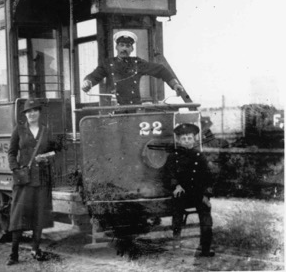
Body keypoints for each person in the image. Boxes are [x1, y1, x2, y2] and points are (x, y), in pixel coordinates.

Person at [6, 99, 58, 265]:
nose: (32, 114)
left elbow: (56, 150)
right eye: (29, 111)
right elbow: (11, 153)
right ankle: (13, 254)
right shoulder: (19, 130)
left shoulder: (46, 131)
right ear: (25, 115)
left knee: (39, 215)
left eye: (35, 110)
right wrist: (15, 169)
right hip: (24, 180)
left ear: (39, 113)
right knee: (18, 216)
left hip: (42, 179)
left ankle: (35, 249)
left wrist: (48, 157)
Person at [81, 31, 184, 105]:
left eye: (127, 46)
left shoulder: (137, 63)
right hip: (114, 109)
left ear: (132, 49)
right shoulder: (107, 64)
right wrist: (87, 83)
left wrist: (174, 84)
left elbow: (160, 70)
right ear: (117, 47)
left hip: (134, 108)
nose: (124, 49)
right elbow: (94, 77)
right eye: (121, 45)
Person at [166, 123, 215, 257]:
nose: (187, 141)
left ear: (194, 139)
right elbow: (170, 174)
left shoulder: (200, 156)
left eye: (189, 138)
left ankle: (205, 247)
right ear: (178, 140)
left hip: (198, 193)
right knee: (177, 211)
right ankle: (176, 242)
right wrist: (176, 185)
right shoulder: (173, 157)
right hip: (182, 192)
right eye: (184, 139)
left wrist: (206, 194)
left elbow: (209, 176)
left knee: (206, 215)